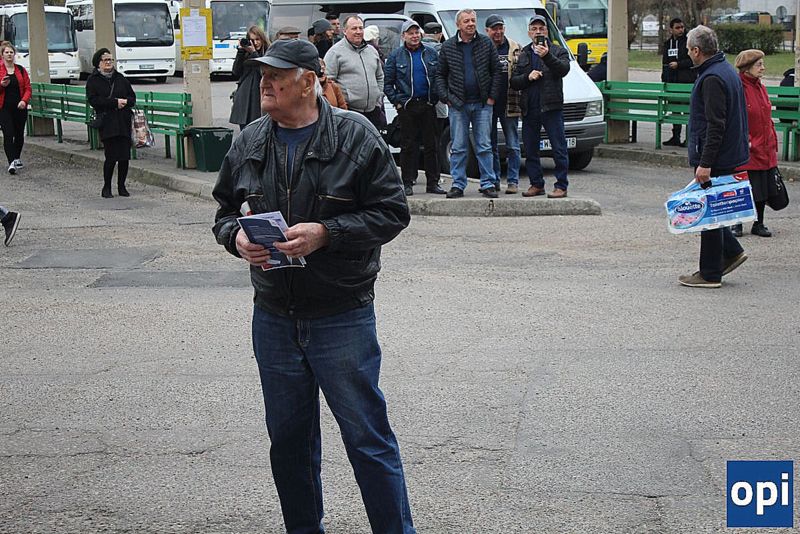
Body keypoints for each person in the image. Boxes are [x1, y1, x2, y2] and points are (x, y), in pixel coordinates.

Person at [211, 38, 416, 534]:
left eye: (276, 75)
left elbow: (393, 213)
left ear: (308, 82)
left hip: (340, 314)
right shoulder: (250, 140)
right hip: (274, 317)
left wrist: (327, 233)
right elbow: (224, 212)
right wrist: (236, 238)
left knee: (367, 439)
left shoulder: (356, 136)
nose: (265, 82)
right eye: (263, 73)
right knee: (289, 443)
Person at [679, 25, 749, 288]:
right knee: (715, 209)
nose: (688, 53)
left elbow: (715, 125)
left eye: (689, 49)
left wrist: (705, 163)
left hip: (716, 157)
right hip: (728, 153)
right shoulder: (725, 70)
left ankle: (710, 273)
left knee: (708, 213)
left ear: (697, 51)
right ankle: (731, 251)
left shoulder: (711, 78)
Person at [435, 8, 502, 198]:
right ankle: (458, 184)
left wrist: (492, 97)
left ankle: (488, 183)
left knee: (484, 146)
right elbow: (439, 75)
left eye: (473, 20)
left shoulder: (486, 43)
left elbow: (497, 71)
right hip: (458, 105)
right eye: (466, 21)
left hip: (482, 104)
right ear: (458, 25)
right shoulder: (448, 46)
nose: (471, 24)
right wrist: (447, 98)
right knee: (458, 147)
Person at [510, 15, 571, 198]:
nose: (538, 32)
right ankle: (536, 184)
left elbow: (563, 70)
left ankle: (561, 186)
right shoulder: (524, 53)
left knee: (559, 148)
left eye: (541, 28)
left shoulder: (558, 51)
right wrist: (527, 77)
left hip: (551, 107)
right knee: (530, 150)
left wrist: (547, 56)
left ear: (547, 31)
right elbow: (514, 82)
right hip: (530, 108)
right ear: (529, 33)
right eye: (534, 29)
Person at [384, 20, 444, 196]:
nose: (414, 36)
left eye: (417, 32)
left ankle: (433, 183)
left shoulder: (431, 53)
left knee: (432, 146)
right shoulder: (395, 56)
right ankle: (408, 182)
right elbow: (388, 84)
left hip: (427, 104)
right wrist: (397, 102)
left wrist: (435, 98)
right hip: (407, 106)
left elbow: (439, 77)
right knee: (408, 146)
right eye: (410, 33)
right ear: (404, 36)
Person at [731, 49, 777, 238]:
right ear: (747, 68)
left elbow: (766, 115)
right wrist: (747, 140)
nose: (763, 68)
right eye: (759, 65)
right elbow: (735, 117)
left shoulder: (761, 88)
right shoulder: (739, 88)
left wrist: (771, 138)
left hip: (765, 144)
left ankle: (759, 223)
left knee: (762, 186)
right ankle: (737, 223)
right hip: (748, 146)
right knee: (743, 186)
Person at [86, 48, 136, 198]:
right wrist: (114, 102)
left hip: (123, 121)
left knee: (124, 157)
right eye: (105, 60)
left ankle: (122, 186)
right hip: (107, 122)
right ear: (98, 63)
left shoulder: (120, 78)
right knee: (111, 156)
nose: (108, 62)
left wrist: (125, 102)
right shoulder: (93, 80)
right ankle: (106, 187)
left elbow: (132, 98)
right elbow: (94, 100)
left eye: (110, 60)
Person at [324, 16, 386, 130]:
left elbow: (380, 76)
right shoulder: (335, 52)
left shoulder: (372, 51)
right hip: (349, 113)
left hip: (373, 111)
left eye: (361, 28)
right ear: (345, 31)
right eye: (354, 28)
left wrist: (378, 98)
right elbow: (328, 83)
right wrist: (341, 106)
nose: (358, 32)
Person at [485, 14, 522, 194]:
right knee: (490, 144)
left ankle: (513, 181)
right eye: (494, 29)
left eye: (500, 28)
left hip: (510, 102)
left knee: (513, 145)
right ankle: (494, 180)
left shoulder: (515, 48)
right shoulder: (483, 48)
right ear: (487, 31)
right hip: (488, 104)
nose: (498, 32)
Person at [661, 18, 696, 147]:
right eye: (677, 27)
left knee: (687, 111)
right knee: (675, 110)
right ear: (671, 29)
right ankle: (675, 136)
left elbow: (692, 61)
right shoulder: (668, 44)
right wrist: (664, 78)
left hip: (686, 81)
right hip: (672, 82)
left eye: (682, 27)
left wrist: (679, 64)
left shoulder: (688, 43)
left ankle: (689, 138)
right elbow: (665, 62)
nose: (680, 30)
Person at [229, 25, 269, 131]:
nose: (255, 43)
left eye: (258, 39)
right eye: (252, 40)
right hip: (244, 97)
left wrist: (254, 53)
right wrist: (241, 52)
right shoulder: (245, 53)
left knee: (259, 130)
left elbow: (264, 72)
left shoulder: (268, 52)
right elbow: (236, 72)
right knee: (245, 131)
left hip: (259, 98)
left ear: (262, 39)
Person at [0, 42, 31, 175]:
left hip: (19, 107)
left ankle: (17, 157)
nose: (9, 55)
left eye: (11, 52)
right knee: (8, 133)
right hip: (4, 108)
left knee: (19, 134)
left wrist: (24, 100)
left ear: (14, 54)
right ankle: (11, 162)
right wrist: (2, 85)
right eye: (6, 52)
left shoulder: (21, 70)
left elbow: (28, 88)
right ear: (2, 55)